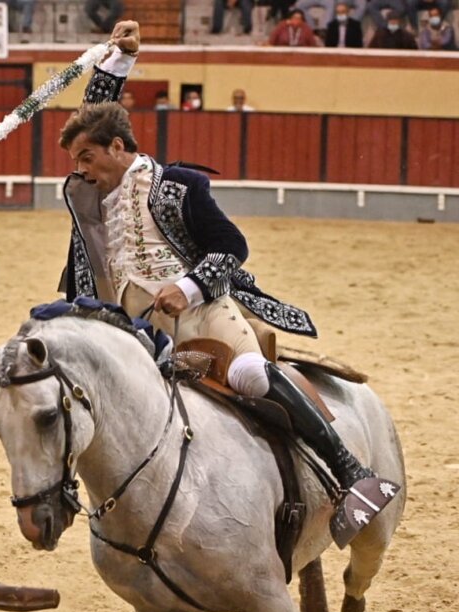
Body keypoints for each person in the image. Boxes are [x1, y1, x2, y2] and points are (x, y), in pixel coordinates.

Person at [56, 19, 400, 540]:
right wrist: (120, 60)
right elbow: (94, 117)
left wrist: (188, 287)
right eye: (76, 160)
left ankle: (352, 474)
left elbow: (233, 247)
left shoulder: (178, 186)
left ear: (119, 148)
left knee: (252, 376)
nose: (80, 169)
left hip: (204, 316)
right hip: (136, 331)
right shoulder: (92, 196)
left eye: (87, 157)